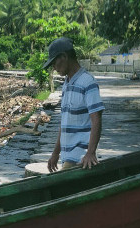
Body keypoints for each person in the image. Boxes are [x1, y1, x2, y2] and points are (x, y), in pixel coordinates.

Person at [43, 37, 105, 173]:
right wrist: (55, 153)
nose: (54, 67)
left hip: (80, 157)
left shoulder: (88, 82)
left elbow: (96, 119)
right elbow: (64, 123)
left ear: (64, 57)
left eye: (54, 62)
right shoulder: (66, 84)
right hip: (66, 155)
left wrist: (90, 153)